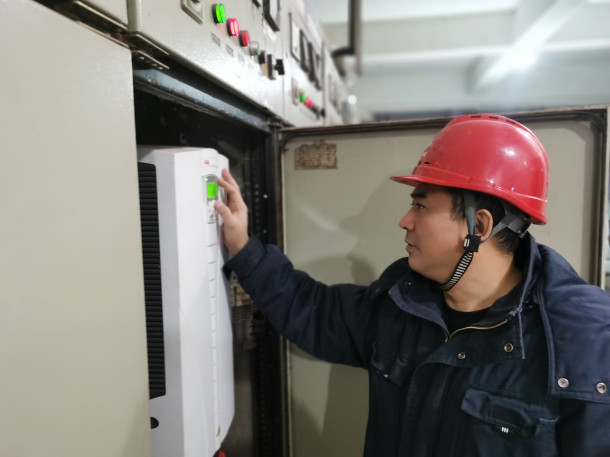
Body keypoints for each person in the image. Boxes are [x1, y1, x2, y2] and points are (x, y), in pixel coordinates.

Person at [214, 114, 610, 457]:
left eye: (420, 205)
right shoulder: (403, 302)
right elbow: (314, 311)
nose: (405, 221)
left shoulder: (586, 344)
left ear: (479, 226)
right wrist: (243, 248)